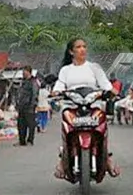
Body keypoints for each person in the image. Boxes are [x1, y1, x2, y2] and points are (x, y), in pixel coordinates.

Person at [51, 38, 120, 178]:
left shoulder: (94, 67)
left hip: (93, 106)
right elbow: (59, 84)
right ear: (71, 51)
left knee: (102, 127)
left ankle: (106, 158)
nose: (82, 49)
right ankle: (63, 160)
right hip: (71, 107)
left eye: (84, 46)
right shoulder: (65, 70)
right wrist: (56, 92)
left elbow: (106, 85)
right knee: (66, 128)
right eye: (78, 47)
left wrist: (110, 91)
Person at [16, 66, 39, 146]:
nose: (23, 74)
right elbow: (19, 93)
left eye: (24, 72)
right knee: (21, 124)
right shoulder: (22, 81)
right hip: (21, 106)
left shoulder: (33, 82)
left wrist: (33, 104)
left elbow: (35, 94)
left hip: (29, 106)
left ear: (29, 72)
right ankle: (22, 141)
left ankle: (30, 140)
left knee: (31, 124)